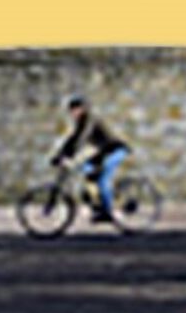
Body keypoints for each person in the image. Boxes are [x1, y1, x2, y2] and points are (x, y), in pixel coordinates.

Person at [54, 92, 129, 223]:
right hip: (102, 153)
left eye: (75, 110)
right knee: (86, 170)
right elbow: (73, 139)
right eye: (71, 110)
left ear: (83, 109)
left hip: (115, 151)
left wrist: (70, 157)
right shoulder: (81, 122)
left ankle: (109, 211)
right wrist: (60, 155)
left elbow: (82, 139)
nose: (73, 113)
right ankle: (97, 203)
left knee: (103, 180)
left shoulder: (91, 119)